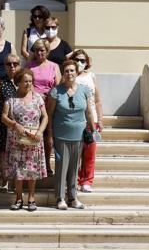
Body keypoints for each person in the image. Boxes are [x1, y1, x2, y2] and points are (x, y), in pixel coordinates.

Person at [47, 60, 97, 210]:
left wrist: (93, 130)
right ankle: (60, 197)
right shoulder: (56, 91)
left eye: (72, 71)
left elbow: (88, 112)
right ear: (63, 73)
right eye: (66, 71)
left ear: (77, 72)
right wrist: (49, 134)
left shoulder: (85, 90)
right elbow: (49, 114)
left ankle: (73, 197)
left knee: (75, 167)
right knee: (62, 166)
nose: (69, 73)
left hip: (79, 134)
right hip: (61, 134)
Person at [1, 69, 48, 211]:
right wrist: (15, 125)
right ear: (18, 83)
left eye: (30, 81)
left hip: (34, 139)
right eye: (25, 81)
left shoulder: (38, 98)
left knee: (32, 170)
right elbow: (3, 117)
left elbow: (45, 117)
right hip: (17, 141)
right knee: (18, 171)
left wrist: (40, 132)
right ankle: (18, 198)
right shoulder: (11, 99)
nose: (28, 84)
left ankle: (31, 199)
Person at [0, 54, 21, 191]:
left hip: (21, 125)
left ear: (19, 65)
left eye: (15, 63)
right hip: (3, 124)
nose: (12, 66)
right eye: (8, 64)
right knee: (4, 153)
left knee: (17, 153)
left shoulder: (24, 81)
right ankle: (5, 179)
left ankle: (15, 180)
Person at [72, 50, 104, 193]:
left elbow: (97, 100)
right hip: (74, 120)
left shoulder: (91, 76)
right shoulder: (70, 75)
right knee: (76, 152)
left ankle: (87, 180)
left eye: (83, 60)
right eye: (77, 60)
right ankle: (76, 179)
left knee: (90, 152)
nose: (80, 63)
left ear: (87, 62)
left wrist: (101, 120)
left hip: (91, 120)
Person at [28, 38, 61, 176]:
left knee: (48, 136)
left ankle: (47, 163)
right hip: (34, 105)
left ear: (47, 51)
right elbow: (27, 84)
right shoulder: (30, 66)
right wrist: (36, 95)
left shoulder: (54, 66)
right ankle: (34, 164)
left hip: (50, 103)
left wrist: (50, 96)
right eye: (37, 50)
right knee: (35, 135)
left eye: (42, 50)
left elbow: (58, 85)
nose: (39, 53)